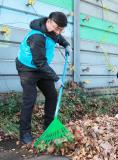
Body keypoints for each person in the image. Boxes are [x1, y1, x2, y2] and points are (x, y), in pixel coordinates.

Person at [16, 12, 72, 144]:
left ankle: (48, 128)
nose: (58, 32)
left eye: (61, 30)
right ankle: (24, 134)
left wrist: (66, 44)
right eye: (57, 28)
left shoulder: (52, 30)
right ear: (49, 21)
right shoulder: (37, 37)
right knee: (29, 99)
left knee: (52, 96)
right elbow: (39, 62)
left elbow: (57, 37)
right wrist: (56, 79)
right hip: (27, 68)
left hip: (41, 67)